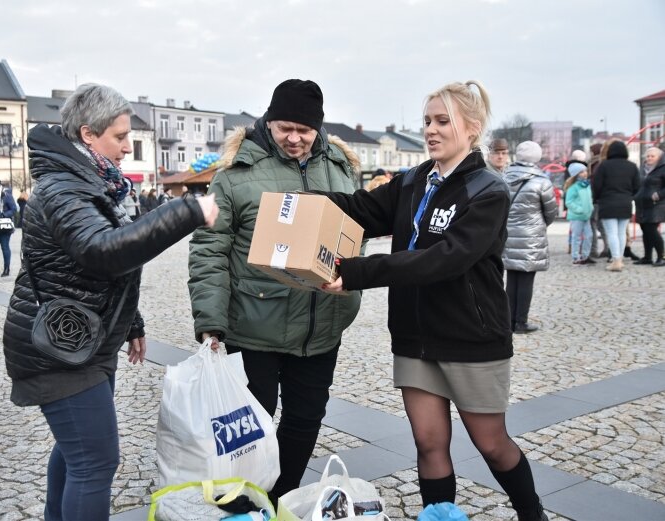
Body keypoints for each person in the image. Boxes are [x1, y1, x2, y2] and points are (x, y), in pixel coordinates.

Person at [321, 80, 547, 521]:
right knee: (429, 442)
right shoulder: (413, 179)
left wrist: (356, 272)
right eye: (427, 120)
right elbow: (360, 209)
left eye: (443, 121)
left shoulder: (488, 191)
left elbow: (443, 260)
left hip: (470, 336)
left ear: (472, 127)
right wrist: (300, 203)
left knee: (491, 444)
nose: (431, 130)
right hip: (414, 335)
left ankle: (531, 513)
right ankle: (439, 517)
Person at [2, 83, 218, 521]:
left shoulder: (96, 180)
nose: (126, 147)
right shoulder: (62, 187)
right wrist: (188, 212)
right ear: (87, 135)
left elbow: (97, 272)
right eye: (119, 137)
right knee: (94, 462)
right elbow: (102, 249)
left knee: (75, 453)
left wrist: (131, 322)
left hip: (86, 340)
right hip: (56, 350)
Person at [188, 78, 362, 500]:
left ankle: (280, 497)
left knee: (305, 419)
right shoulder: (235, 174)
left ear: (318, 129)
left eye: (304, 130)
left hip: (321, 325)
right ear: (269, 121)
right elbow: (209, 250)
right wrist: (210, 322)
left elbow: (357, 231)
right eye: (285, 127)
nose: (294, 138)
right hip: (254, 325)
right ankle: (249, 500)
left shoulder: (339, 167)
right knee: (253, 423)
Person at [502, 141, 558, 334]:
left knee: (511, 280)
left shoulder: (504, 178)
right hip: (531, 236)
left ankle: (508, 321)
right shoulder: (542, 181)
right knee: (526, 280)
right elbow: (551, 212)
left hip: (508, 235)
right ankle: (521, 322)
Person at [591, 140, 640, 272]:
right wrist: (629, 195)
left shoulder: (604, 166)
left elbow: (596, 185)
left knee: (611, 232)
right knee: (621, 232)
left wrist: (596, 198)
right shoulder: (632, 166)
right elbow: (637, 186)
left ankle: (616, 260)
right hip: (625, 202)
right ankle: (620, 259)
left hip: (607, 202)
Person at [633, 146, 665, 266]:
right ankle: (647, 257)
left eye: (652, 156)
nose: (649, 158)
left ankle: (662, 256)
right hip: (642, 204)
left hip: (656, 204)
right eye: (647, 156)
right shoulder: (643, 169)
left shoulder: (662, 168)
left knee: (652, 230)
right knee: (645, 230)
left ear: (659, 157)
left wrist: (659, 195)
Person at [564, 163, 594, 265]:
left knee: (589, 236)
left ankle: (585, 256)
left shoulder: (586, 185)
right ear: (576, 174)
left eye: (585, 171)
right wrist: (579, 209)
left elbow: (589, 199)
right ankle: (575, 257)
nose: (585, 173)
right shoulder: (573, 187)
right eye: (581, 172)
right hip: (577, 216)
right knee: (576, 237)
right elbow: (569, 202)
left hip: (586, 215)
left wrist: (590, 208)